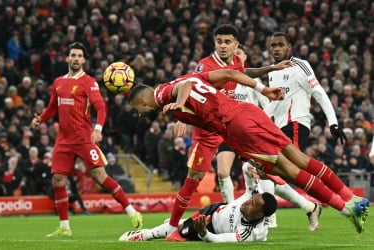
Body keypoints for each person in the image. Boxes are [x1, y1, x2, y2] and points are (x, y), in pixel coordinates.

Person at [129, 68, 369, 234]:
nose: (140, 115)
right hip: (248, 111)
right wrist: (262, 90)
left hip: (236, 128)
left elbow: (185, 86)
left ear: (141, 101)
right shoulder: (190, 76)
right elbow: (231, 75)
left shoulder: (161, 95)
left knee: (288, 171)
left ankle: (346, 209)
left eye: (137, 110)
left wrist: (180, 103)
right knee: (299, 159)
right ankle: (351, 199)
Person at [166, 24, 293, 235]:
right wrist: (182, 117)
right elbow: (189, 86)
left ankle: (278, 180)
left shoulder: (235, 61)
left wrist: (270, 68)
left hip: (227, 125)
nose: (223, 46)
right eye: (219, 42)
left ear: (236, 45)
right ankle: (172, 226)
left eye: (227, 42)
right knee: (194, 178)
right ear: (214, 43)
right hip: (206, 128)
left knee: (260, 155)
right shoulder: (204, 66)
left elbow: (243, 72)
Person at [31, 42, 142, 237]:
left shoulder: (89, 82)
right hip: (63, 140)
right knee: (57, 179)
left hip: (84, 137)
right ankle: (64, 227)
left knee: (100, 176)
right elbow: (52, 108)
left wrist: (98, 129)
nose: (76, 59)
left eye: (79, 56)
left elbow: (101, 108)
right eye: (73, 55)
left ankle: (131, 211)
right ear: (67, 58)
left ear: (83, 60)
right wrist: (41, 118)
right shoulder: (58, 82)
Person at [228, 45, 323, 231]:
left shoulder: (249, 81)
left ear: (245, 56)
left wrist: (259, 124)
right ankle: (310, 206)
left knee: (260, 172)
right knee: (266, 175)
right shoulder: (226, 79)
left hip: (253, 134)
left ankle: (267, 218)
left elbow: (267, 104)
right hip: (235, 134)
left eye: (239, 53)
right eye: (234, 54)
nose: (235, 56)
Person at [119, 163, 277, 243]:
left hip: (210, 228)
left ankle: (146, 234)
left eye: (253, 204)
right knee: (178, 228)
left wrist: (204, 233)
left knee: (179, 232)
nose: (248, 201)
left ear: (260, 214)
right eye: (251, 198)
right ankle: (144, 235)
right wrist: (249, 167)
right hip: (215, 210)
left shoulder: (250, 233)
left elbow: (219, 240)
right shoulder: (256, 193)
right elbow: (245, 168)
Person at [265, 32, 347, 151]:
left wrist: (333, 123)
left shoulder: (300, 66)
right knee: (283, 167)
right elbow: (275, 103)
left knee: (291, 165)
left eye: (281, 45)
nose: (276, 49)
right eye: (273, 45)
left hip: (296, 124)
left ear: (289, 47)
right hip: (279, 128)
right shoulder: (272, 71)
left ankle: (323, 170)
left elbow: (319, 94)